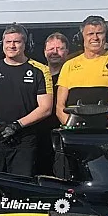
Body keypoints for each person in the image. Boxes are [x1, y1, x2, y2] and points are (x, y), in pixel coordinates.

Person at [0, 24, 53, 176]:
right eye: (8, 42)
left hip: (23, 142)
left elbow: (46, 108)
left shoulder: (40, 70)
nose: (12, 45)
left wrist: (17, 126)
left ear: (25, 44)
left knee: (19, 193)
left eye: (16, 42)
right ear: (2, 44)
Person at [56, 15, 108, 126]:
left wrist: (95, 125)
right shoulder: (69, 65)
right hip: (75, 133)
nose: (95, 38)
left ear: (107, 36)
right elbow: (60, 106)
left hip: (106, 131)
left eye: (99, 33)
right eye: (90, 34)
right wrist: (70, 125)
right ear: (82, 37)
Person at [36, 32, 70, 174]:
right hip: (39, 134)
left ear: (67, 52)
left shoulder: (73, 75)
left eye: (60, 48)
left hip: (64, 133)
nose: (54, 52)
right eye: (51, 49)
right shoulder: (37, 75)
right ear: (44, 52)